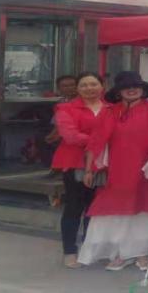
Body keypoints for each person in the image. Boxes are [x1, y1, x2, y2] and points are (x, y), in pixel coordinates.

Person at [78, 72, 148, 271]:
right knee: (116, 212)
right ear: (118, 92)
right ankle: (120, 253)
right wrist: (88, 170)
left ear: (142, 89)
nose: (131, 90)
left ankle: (142, 254)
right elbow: (95, 142)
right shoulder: (109, 113)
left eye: (135, 86)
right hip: (117, 171)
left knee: (144, 213)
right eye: (126, 87)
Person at [51, 72, 104, 268]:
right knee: (74, 206)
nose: (89, 88)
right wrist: (101, 140)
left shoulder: (112, 108)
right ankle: (70, 251)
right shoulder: (66, 109)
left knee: (95, 209)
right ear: (78, 89)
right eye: (84, 85)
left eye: (93, 84)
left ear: (102, 86)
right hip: (76, 163)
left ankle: (89, 249)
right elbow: (70, 136)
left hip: (104, 164)